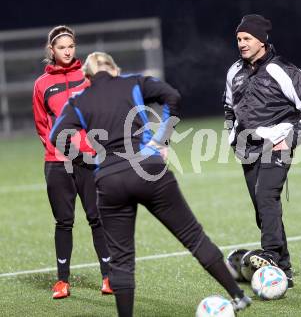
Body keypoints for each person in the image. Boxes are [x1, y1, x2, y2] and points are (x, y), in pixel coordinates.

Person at [49, 52, 252, 317]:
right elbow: (173, 96)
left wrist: (88, 161)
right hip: (149, 169)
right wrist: (162, 139)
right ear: (115, 69)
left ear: (87, 77)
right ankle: (238, 296)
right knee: (193, 236)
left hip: (109, 180)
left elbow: (57, 136)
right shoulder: (133, 82)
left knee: (121, 261)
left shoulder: (79, 99)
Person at [223, 14, 301, 287]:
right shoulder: (234, 71)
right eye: (239, 39)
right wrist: (231, 135)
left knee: (266, 197)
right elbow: (228, 107)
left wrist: (291, 139)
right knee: (263, 210)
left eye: (247, 39)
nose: (242, 44)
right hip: (247, 148)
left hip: (277, 144)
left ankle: (269, 256)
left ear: (262, 40)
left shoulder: (282, 69)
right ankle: (283, 269)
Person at [32, 26, 112, 299]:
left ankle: (108, 277)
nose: (67, 51)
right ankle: (62, 281)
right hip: (57, 162)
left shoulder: (86, 77)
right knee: (64, 222)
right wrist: (58, 149)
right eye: (61, 47)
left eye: (71, 46)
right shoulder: (42, 84)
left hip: (89, 160)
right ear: (51, 51)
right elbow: (42, 124)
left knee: (97, 218)